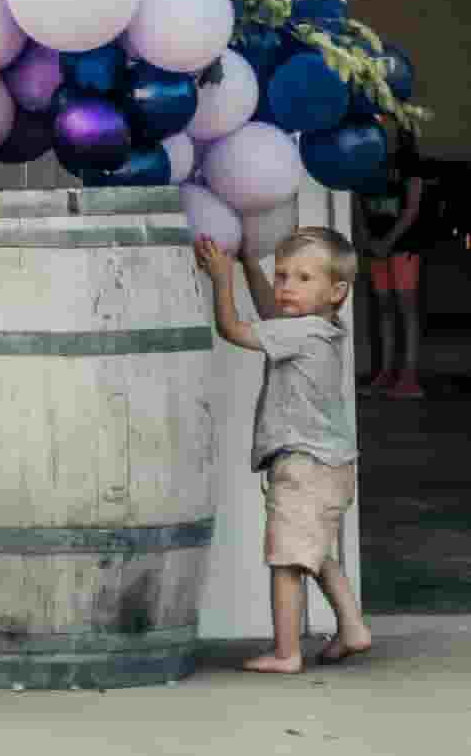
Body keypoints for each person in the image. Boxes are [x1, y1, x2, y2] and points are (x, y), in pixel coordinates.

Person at [193, 227, 371, 672]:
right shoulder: (322, 328)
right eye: (282, 275)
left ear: (337, 291)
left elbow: (232, 328)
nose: (287, 285)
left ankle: (286, 652)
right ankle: (352, 627)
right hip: (330, 464)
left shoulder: (303, 336)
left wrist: (222, 278)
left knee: (286, 560)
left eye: (303, 278)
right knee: (312, 550)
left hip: (304, 464)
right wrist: (251, 265)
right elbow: (273, 313)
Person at [358, 123, 429, 399]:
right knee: (384, 307)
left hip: (403, 246)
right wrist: (368, 238)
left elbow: (412, 209)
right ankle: (386, 373)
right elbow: (360, 201)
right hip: (377, 246)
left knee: (405, 307)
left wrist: (388, 241)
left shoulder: (411, 165)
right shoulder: (369, 162)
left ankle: (409, 377)